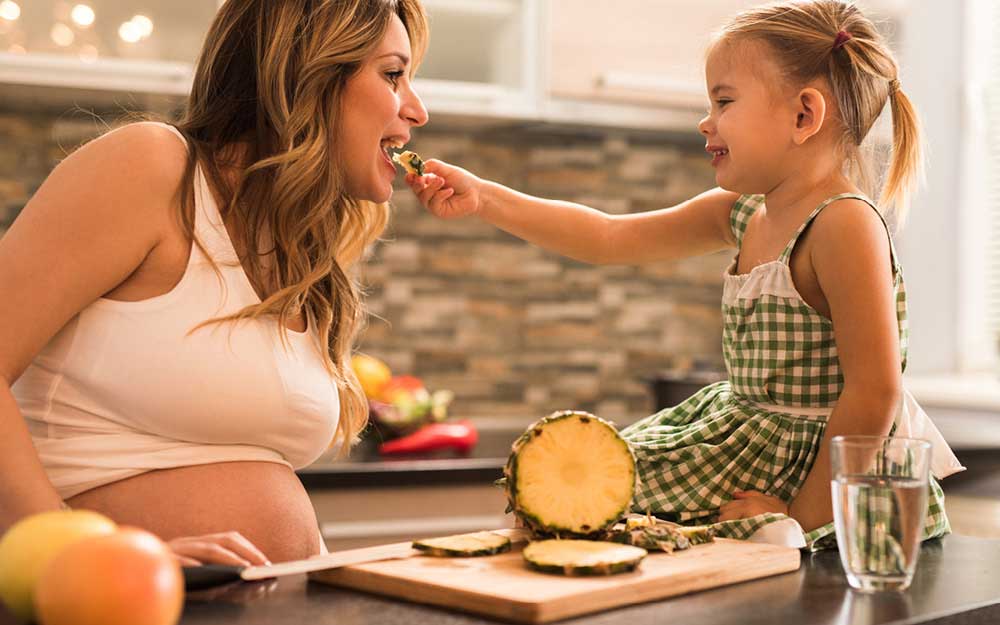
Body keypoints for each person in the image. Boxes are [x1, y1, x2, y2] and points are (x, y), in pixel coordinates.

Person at [407, 0, 963, 548]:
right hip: (745, 436)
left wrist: (801, 519)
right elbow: (607, 236)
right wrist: (484, 197)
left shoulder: (845, 223)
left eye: (723, 101)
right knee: (580, 493)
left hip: (828, 475)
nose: (706, 121)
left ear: (804, 116)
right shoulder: (743, 212)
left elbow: (875, 392)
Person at [0, 0, 429, 565]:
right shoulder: (152, 167)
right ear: (306, 75)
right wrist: (81, 555)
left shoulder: (302, 255)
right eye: (393, 75)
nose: (416, 111)